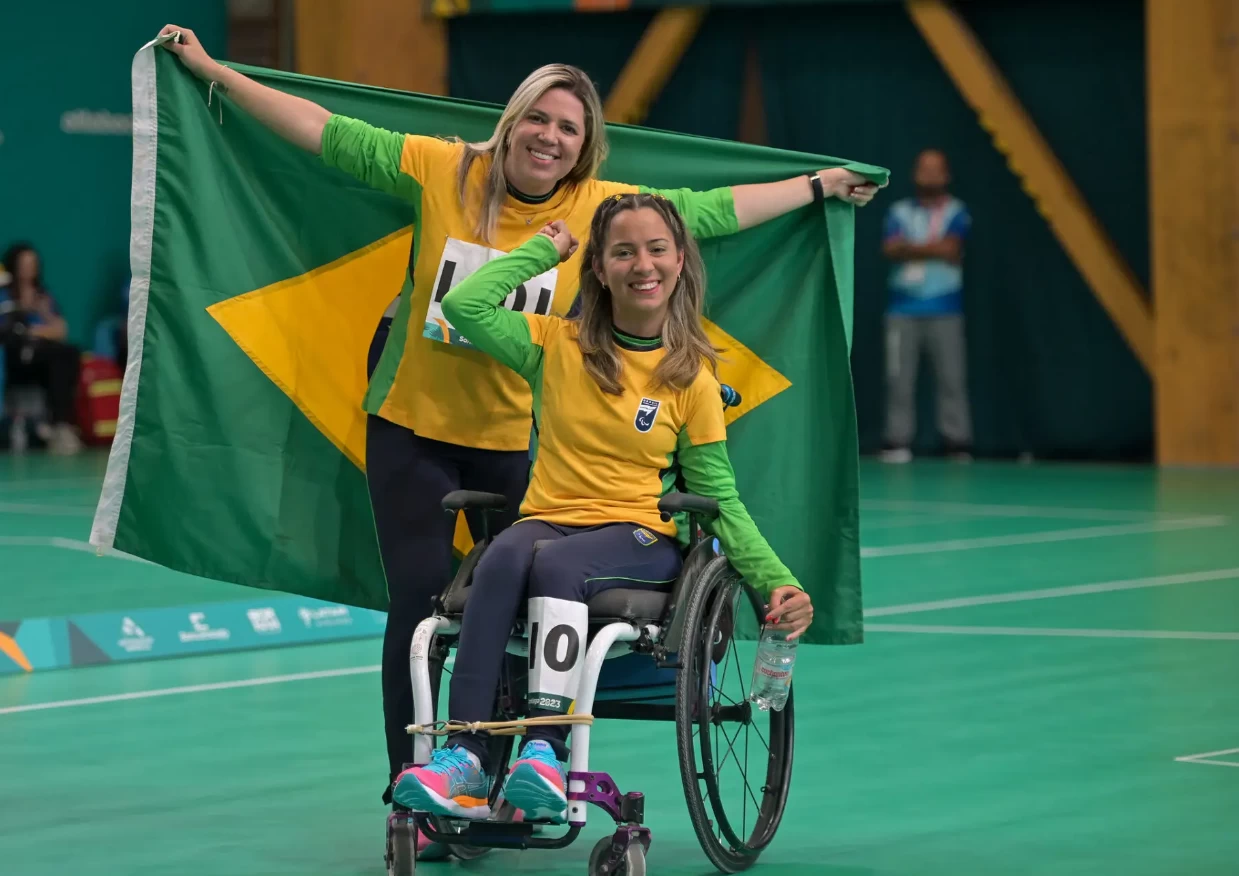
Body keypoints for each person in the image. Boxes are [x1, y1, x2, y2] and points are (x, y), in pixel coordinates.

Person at [156, 25, 867, 802]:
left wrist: (814, 186)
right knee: (423, 605)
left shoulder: (599, 213)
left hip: (515, 442)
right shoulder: (440, 169)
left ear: (584, 147)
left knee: (534, 586)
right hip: (414, 427)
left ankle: (521, 763)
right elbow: (325, 133)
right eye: (540, 118)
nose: (550, 137)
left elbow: (708, 212)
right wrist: (212, 70)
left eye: (569, 128)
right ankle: (423, 776)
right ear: (512, 119)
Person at [392, 193, 814, 823]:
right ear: (600, 269)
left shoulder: (691, 380)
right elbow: (463, 304)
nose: (641, 264)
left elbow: (719, 498)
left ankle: (544, 751)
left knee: (557, 565)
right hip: (550, 517)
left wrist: (777, 580)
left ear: (680, 262)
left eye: (656, 249)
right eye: (622, 251)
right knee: (504, 554)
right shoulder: (552, 344)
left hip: (638, 534)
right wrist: (545, 250)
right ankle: (468, 756)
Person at [879, 148, 972, 463]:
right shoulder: (899, 212)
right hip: (902, 309)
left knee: (951, 377)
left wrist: (911, 247)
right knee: (899, 378)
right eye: (924, 168)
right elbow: (891, 249)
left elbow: (951, 248)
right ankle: (897, 441)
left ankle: (956, 442)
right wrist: (933, 248)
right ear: (915, 173)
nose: (930, 175)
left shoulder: (957, 211)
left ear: (946, 175)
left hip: (946, 308)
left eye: (936, 169)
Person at [1, 243, 83, 455]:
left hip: (43, 355)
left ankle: (60, 425)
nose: (29, 268)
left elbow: (61, 329)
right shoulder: (5, 295)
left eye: (33, 264)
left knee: (68, 353)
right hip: (16, 357)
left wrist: (41, 319)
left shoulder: (43, 295)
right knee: (56, 355)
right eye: (24, 264)